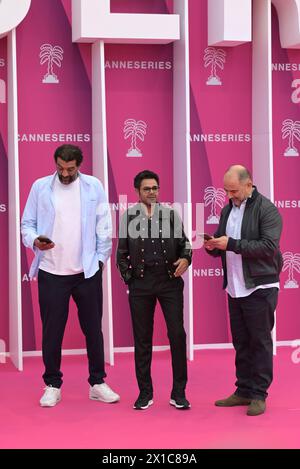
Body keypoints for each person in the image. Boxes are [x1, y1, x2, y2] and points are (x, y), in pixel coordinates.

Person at [21, 144, 120, 407]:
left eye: (70, 169)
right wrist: (35, 241)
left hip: (86, 271)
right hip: (52, 272)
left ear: (80, 165)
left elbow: (104, 225)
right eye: (60, 168)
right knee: (52, 332)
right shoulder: (40, 187)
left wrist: (99, 260)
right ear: (55, 164)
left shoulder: (94, 186)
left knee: (93, 330)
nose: (65, 174)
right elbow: (27, 224)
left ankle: (97, 382)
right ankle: (52, 384)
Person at [204, 165, 283, 416]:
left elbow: (268, 246)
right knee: (241, 342)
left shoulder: (267, 209)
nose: (230, 196)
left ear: (249, 184)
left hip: (260, 286)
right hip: (236, 287)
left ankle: (259, 395)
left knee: (259, 342)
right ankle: (244, 390)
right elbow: (223, 241)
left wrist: (232, 244)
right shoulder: (228, 209)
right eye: (227, 191)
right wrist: (213, 246)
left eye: (234, 190)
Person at [116, 170, 192, 410]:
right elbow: (121, 254)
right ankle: (145, 393)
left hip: (169, 281)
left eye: (155, 188)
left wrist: (186, 260)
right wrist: (130, 279)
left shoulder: (170, 215)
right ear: (137, 191)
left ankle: (178, 392)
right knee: (142, 339)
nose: (152, 192)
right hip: (141, 283)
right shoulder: (129, 217)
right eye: (147, 189)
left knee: (177, 335)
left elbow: (185, 244)